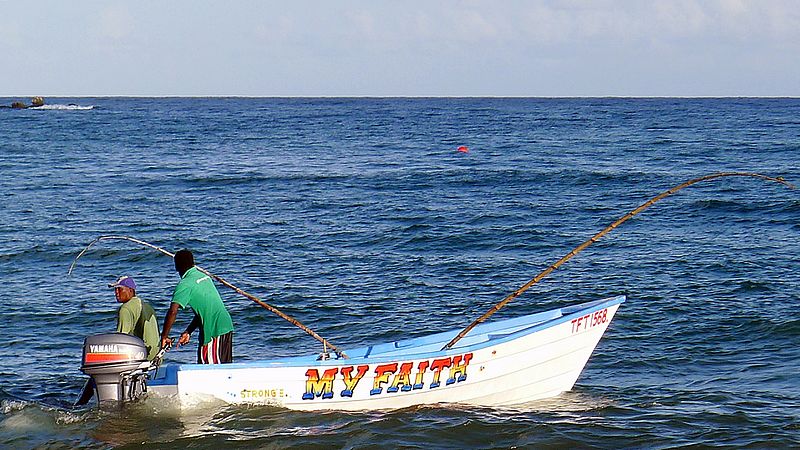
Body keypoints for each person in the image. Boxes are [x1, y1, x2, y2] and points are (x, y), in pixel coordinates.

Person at [160, 249, 234, 364]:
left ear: (176, 267)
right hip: (225, 324)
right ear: (193, 263)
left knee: (209, 368)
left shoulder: (185, 284)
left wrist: (164, 336)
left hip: (214, 329)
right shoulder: (203, 276)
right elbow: (204, 311)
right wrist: (188, 332)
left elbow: (173, 312)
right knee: (223, 367)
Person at [109, 276, 161, 361]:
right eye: (115, 290)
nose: (116, 293)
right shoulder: (147, 306)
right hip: (157, 355)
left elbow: (121, 338)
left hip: (143, 355)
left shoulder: (125, 308)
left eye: (120, 289)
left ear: (130, 290)